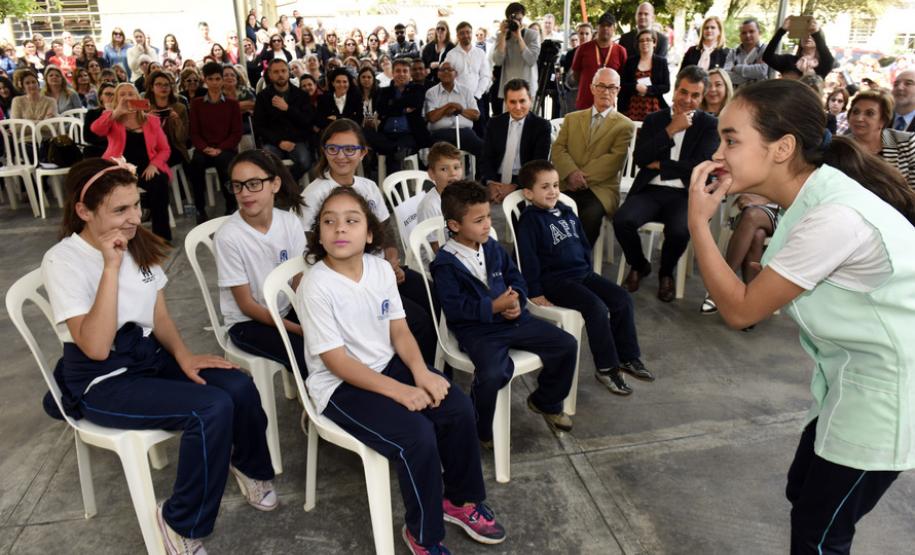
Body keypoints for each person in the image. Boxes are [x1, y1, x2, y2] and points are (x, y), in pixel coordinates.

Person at [687, 77, 915, 555]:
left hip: (889, 395)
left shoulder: (834, 216)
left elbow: (741, 309)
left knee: (819, 534)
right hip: (849, 381)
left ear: (783, 148)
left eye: (731, 140)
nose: (718, 154)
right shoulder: (813, 198)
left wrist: (698, 222)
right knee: (802, 492)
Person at [41, 158, 276, 555]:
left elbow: (159, 314)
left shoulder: (136, 242)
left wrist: (184, 357)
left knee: (237, 384)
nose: (135, 218)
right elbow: (95, 347)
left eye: (136, 204)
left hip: (148, 356)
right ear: (84, 210)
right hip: (103, 378)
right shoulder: (63, 260)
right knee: (210, 408)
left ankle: (249, 466)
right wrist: (111, 267)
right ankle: (179, 521)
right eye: (121, 209)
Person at [299, 186, 506, 555]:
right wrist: (401, 391)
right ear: (319, 234)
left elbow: (399, 330)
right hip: (339, 385)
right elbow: (337, 362)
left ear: (370, 233)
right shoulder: (316, 285)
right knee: (417, 436)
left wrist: (421, 372)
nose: (340, 228)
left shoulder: (380, 269)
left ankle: (459, 501)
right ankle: (423, 535)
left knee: (457, 407)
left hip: (387, 364)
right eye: (329, 222)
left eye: (351, 220)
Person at [430, 180, 578, 441]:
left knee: (566, 344)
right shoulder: (445, 264)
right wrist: (493, 306)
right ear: (454, 225)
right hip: (478, 331)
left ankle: (546, 401)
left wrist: (516, 301)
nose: (487, 224)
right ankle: (480, 429)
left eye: (488, 216)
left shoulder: (492, 246)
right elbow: (455, 309)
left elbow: (516, 278)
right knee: (493, 374)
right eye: (479, 220)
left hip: (514, 321)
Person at [299, 119, 437, 363]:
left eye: (349, 149)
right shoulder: (314, 194)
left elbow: (386, 234)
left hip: (382, 270)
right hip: (351, 281)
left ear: (363, 153)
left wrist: (392, 262)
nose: (341, 156)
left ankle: (435, 370)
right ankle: (414, 373)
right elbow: (313, 251)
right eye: (333, 149)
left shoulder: (369, 187)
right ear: (324, 151)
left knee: (434, 297)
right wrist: (380, 273)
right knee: (418, 321)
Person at [516, 159, 653, 395]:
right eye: (545, 187)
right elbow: (527, 258)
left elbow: (583, 243)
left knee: (622, 299)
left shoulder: (567, 211)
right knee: (596, 308)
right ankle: (606, 368)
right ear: (529, 193)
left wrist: (588, 269)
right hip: (556, 281)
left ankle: (627, 357)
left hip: (582, 274)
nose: (553, 191)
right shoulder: (530, 220)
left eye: (555, 185)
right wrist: (535, 291)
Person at [613, 66, 720, 302]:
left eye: (695, 95)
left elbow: (701, 164)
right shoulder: (655, 120)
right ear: (675, 90)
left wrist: (661, 165)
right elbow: (641, 158)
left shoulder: (710, 125)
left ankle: (666, 272)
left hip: (685, 193)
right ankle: (639, 265)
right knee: (622, 220)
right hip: (650, 190)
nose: (688, 100)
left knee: (680, 230)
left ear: (702, 97)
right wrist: (671, 130)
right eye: (684, 92)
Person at [215, 149, 308, 376]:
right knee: (307, 354)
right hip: (248, 322)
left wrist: (308, 316)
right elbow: (246, 305)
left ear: (275, 184)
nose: (245, 193)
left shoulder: (289, 222)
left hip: (286, 310)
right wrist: (298, 329)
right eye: (237, 186)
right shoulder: (228, 236)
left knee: (335, 337)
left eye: (254, 184)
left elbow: (298, 279)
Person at [552, 68, 635, 247]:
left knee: (590, 216)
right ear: (592, 88)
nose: (606, 91)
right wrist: (571, 173)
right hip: (567, 182)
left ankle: (578, 260)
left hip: (600, 189)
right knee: (546, 211)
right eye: (601, 86)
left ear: (618, 90)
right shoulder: (572, 118)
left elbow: (614, 160)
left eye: (611, 87)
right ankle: (549, 257)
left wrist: (579, 178)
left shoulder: (624, 125)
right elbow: (558, 148)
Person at [90, 83, 172, 241]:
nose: (127, 97)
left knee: (160, 183)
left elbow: (165, 149)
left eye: (131, 94)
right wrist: (116, 112)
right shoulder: (111, 118)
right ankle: (117, 234)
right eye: (122, 94)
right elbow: (96, 129)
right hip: (119, 168)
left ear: (137, 97)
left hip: (146, 167)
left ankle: (161, 237)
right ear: (117, 99)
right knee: (110, 190)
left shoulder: (151, 121)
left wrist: (154, 164)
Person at [480, 79, 551, 203]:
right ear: (506, 103)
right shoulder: (494, 123)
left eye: (522, 101)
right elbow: (486, 157)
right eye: (512, 102)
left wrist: (515, 186)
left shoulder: (541, 126)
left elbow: (538, 164)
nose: (518, 107)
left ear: (530, 100)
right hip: (495, 179)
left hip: (524, 180)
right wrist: (491, 183)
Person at [189, 62, 243, 219]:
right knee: (195, 164)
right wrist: (205, 148)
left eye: (218, 79)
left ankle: (231, 206)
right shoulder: (196, 104)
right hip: (204, 148)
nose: (214, 83)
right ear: (205, 80)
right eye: (210, 79)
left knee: (224, 163)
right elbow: (194, 132)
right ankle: (199, 208)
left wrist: (221, 148)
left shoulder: (232, 104)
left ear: (222, 80)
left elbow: (236, 133)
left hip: (226, 148)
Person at [253, 59, 315, 182]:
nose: (280, 74)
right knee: (267, 164)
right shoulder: (263, 96)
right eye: (276, 72)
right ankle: (285, 187)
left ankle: (284, 186)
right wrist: (279, 142)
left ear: (289, 72)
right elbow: (259, 126)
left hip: (296, 141)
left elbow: (307, 121)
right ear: (270, 75)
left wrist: (287, 109)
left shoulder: (301, 95)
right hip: (273, 142)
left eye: (283, 71)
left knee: (305, 161)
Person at [847, 89, 915, 189]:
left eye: (869, 113)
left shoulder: (906, 142)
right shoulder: (840, 147)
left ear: (883, 120)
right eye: (855, 112)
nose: (859, 118)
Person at [376, 58, 433, 168]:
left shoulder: (418, 89)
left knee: (397, 153)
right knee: (382, 144)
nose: (401, 74)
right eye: (398, 71)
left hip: (409, 133)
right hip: (386, 134)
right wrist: (403, 110)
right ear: (392, 73)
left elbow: (415, 102)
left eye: (405, 71)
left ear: (410, 74)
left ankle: (396, 175)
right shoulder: (384, 91)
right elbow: (381, 109)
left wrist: (391, 106)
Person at [423, 61, 482, 157]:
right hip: (440, 133)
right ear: (438, 74)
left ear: (456, 74)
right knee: (437, 154)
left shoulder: (466, 91)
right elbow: (431, 118)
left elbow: (476, 115)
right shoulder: (431, 92)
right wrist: (449, 105)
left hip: (464, 132)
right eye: (443, 70)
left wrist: (461, 110)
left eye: (450, 70)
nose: (446, 72)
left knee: (484, 149)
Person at [145, 69, 190, 195]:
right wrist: (146, 120)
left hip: (173, 147)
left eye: (166, 84)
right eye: (158, 84)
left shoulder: (179, 107)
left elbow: (182, 138)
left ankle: (164, 193)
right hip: (150, 148)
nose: (163, 87)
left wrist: (177, 121)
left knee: (159, 165)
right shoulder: (145, 108)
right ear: (152, 87)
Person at [446, 21, 492, 140]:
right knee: (461, 134)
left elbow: (485, 76)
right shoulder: (451, 55)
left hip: (477, 99)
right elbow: (448, 78)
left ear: (472, 33)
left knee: (481, 132)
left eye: (468, 32)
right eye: (462, 33)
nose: (465, 35)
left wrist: (476, 95)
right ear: (457, 35)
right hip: (458, 100)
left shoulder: (480, 53)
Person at [572, 11, 626, 110]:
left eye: (609, 26)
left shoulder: (620, 51)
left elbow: (622, 77)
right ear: (597, 27)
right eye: (602, 25)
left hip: (608, 106)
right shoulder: (583, 49)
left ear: (614, 28)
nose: (605, 28)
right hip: (585, 103)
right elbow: (576, 74)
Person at [417, 142, 464, 253]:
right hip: (438, 257)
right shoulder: (430, 206)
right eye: (444, 169)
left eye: (456, 167)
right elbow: (436, 248)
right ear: (432, 174)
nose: (453, 173)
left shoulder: (463, 196)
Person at [494, 2, 541, 105]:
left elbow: (531, 60)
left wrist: (519, 36)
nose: (517, 22)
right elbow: (498, 61)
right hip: (509, 88)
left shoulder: (533, 35)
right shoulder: (502, 36)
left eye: (519, 19)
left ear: (523, 18)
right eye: (514, 20)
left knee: (529, 115)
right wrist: (503, 35)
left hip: (528, 88)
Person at [618, 29, 670, 121]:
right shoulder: (630, 61)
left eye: (648, 40)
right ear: (638, 44)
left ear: (654, 43)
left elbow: (666, 87)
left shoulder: (661, 62)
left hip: (654, 108)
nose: (644, 43)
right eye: (641, 41)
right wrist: (635, 87)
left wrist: (647, 89)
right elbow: (622, 84)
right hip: (631, 108)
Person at [763, 16, 834, 79]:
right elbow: (767, 57)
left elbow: (829, 59)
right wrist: (782, 31)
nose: (808, 37)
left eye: (812, 34)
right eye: (805, 34)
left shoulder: (823, 64)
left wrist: (816, 33)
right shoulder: (788, 60)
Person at [723, 18, 768, 89]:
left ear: (759, 33)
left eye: (751, 31)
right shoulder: (733, 52)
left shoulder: (766, 50)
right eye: (744, 33)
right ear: (740, 35)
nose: (747, 35)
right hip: (737, 94)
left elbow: (762, 71)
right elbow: (726, 76)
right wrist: (754, 75)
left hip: (759, 93)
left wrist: (736, 68)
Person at [315, 67, 362, 131]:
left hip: (351, 132)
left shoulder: (356, 98)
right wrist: (347, 118)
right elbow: (320, 121)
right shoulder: (323, 99)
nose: (341, 85)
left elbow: (359, 120)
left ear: (349, 83)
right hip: (331, 133)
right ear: (333, 83)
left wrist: (336, 118)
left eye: (345, 82)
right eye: (338, 82)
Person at [422, 21, 455, 86]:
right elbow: (423, 62)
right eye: (438, 28)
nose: (440, 30)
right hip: (430, 80)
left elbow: (454, 64)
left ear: (447, 31)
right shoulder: (429, 47)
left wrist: (439, 64)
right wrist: (428, 67)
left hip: (446, 80)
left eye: (442, 29)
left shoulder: (452, 47)